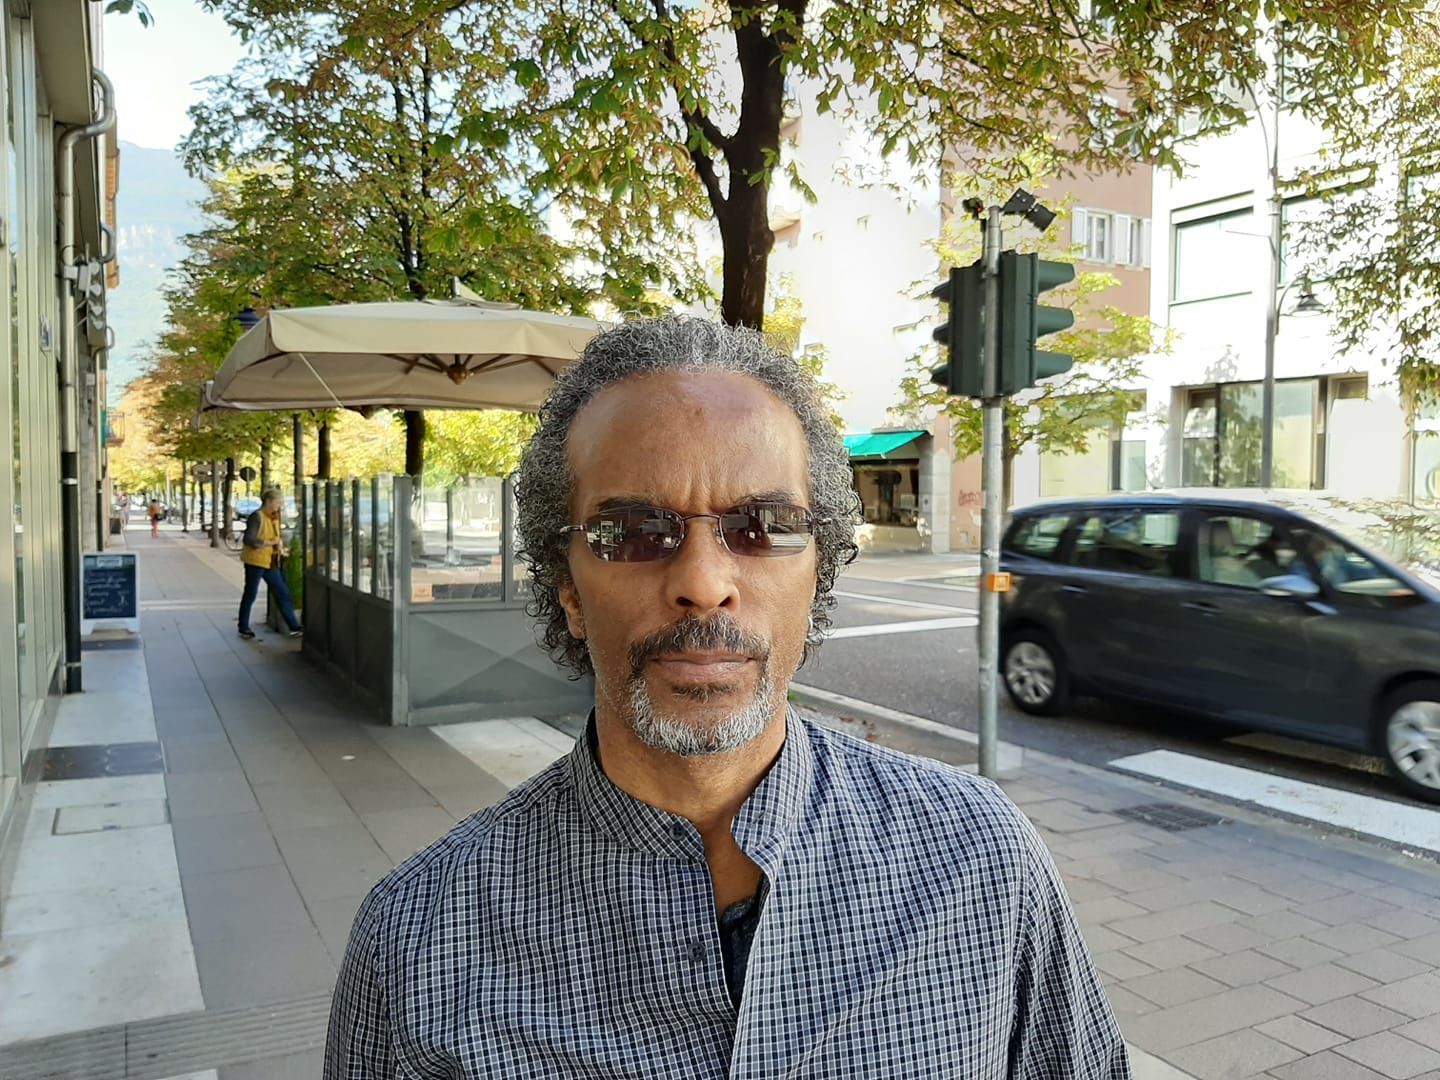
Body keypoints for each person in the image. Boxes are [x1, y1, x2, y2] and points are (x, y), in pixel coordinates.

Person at [325, 317, 1129, 1078]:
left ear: (820, 566)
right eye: (632, 532)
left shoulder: (980, 862)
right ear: (567, 585)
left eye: (765, 523)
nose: (704, 585)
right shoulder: (417, 942)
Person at [237, 488, 302, 640]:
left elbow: (276, 537)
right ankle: (243, 626)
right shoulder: (257, 516)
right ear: (269, 501)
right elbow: (249, 539)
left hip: (270, 561)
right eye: (278, 502)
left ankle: (294, 626)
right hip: (255, 561)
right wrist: (269, 542)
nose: (279, 506)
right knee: (251, 593)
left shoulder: (274, 517)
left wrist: (280, 549)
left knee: (282, 592)